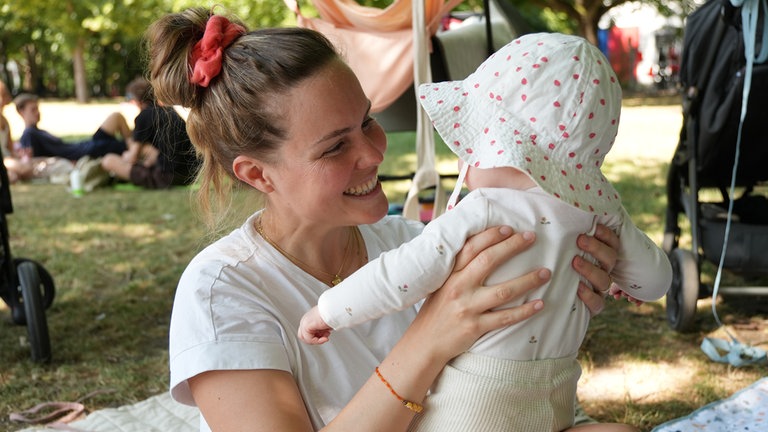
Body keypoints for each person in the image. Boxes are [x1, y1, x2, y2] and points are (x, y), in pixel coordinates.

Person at [149, 8, 625, 432]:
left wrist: (570, 278)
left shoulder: (411, 243)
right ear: (257, 174)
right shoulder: (223, 291)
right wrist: (430, 338)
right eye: (336, 146)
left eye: (368, 121)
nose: (375, 152)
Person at [298, 33, 672, 431]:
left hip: (475, 407)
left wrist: (329, 310)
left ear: (501, 147)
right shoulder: (601, 212)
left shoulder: (485, 210)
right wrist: (625, 278)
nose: (464, 158)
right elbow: (656, 281)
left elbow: (399, 275)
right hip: (556, 399)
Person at [101, 77, 199, 188]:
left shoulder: (144, 116)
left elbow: (132, 157)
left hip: (166, 177)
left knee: (108, 160)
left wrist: (125, 156)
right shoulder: (170, 112)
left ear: (135, 100)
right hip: (189, 175)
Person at [14, 93, 130, 161]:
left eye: (37, 109)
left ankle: (133, 147)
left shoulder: (36, 131)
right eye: (33, 110)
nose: (37, 113)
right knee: (129, 145)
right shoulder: (29, 134)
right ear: (21, 112)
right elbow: (30, 160)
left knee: (116, 117)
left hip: (85, 145)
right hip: (85, 153)